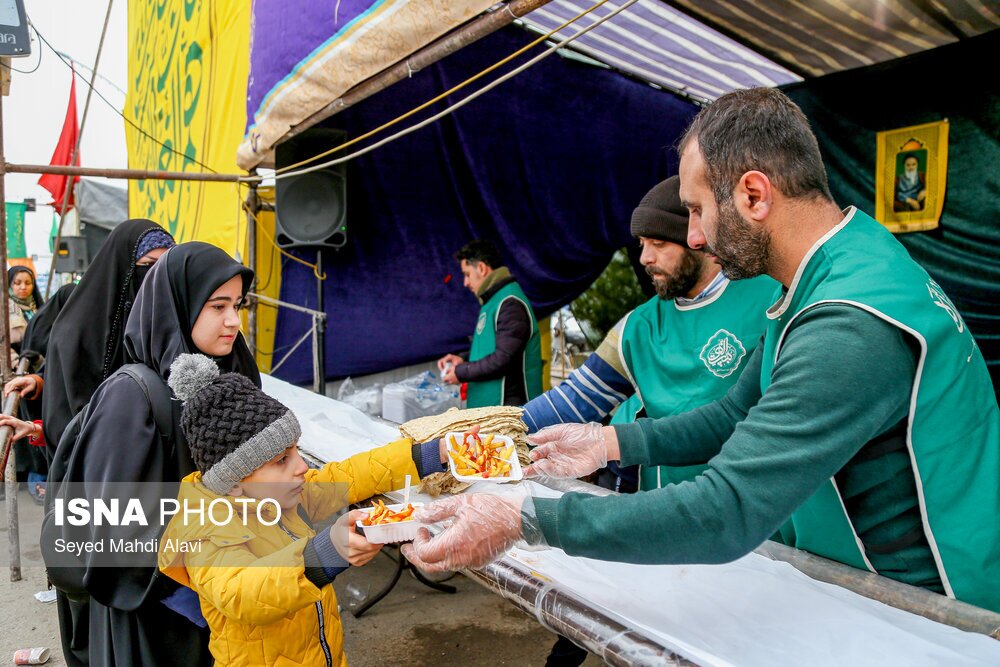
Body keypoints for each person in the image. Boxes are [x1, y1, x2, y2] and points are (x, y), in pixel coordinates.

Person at [401, 87, 1000, 614]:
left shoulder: (847, 323)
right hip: (867, 586)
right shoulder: (841, 265)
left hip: (926, 610)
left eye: (695, 210)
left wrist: (523, 519)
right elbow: (733, 414)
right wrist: (608, 441)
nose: (693, 236)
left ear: (754, 195)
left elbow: (728, 510)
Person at [158, 353, 451, 667]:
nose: (301, 467)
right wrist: (323, 554)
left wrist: (428, 455)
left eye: (296, 449)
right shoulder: (203, 534)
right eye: (282, 459)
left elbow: (343, 477)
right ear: (233, 482)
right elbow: (244, 594)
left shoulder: (279, 496)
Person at [58, 242, 259, 666]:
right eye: (217, 305)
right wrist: (192, 588)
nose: (232, 321)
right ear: (178, 306)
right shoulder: (133, 395)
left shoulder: (233, 372)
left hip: (226, 595)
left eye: (238, 305)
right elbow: (113, 527)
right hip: (157, 613)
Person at [521, 176, 776, 493]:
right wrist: (480, 430)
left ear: (699, 239)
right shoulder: (637, 325)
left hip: (756, 507)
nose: (645, 258)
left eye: (659, 243)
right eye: (642, 245)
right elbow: (574, 399)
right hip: (663, 504)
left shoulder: (771, 298)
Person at [41, 219, 174, 456]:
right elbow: (64, 409)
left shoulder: (164, 320)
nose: (155, 278)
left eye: (164, 268)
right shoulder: (76, 329)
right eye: (148, 266)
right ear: (123, 267)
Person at [436, 239, 543, 408]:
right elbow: (492, 347)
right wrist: (462, 358)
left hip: (508, 407)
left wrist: (460, 372)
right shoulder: (493, 300)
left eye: (467, 274)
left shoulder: (510, 302)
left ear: (481, 268)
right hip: (491, 407)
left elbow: (502, 359)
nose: (465, 282)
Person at [7, 265, 43, 355]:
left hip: (39, 362)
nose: (23, 287)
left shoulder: (39, 308)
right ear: (9, 284)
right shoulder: (4, 310)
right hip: (14, 364)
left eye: (28, 283)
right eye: (17, 283)